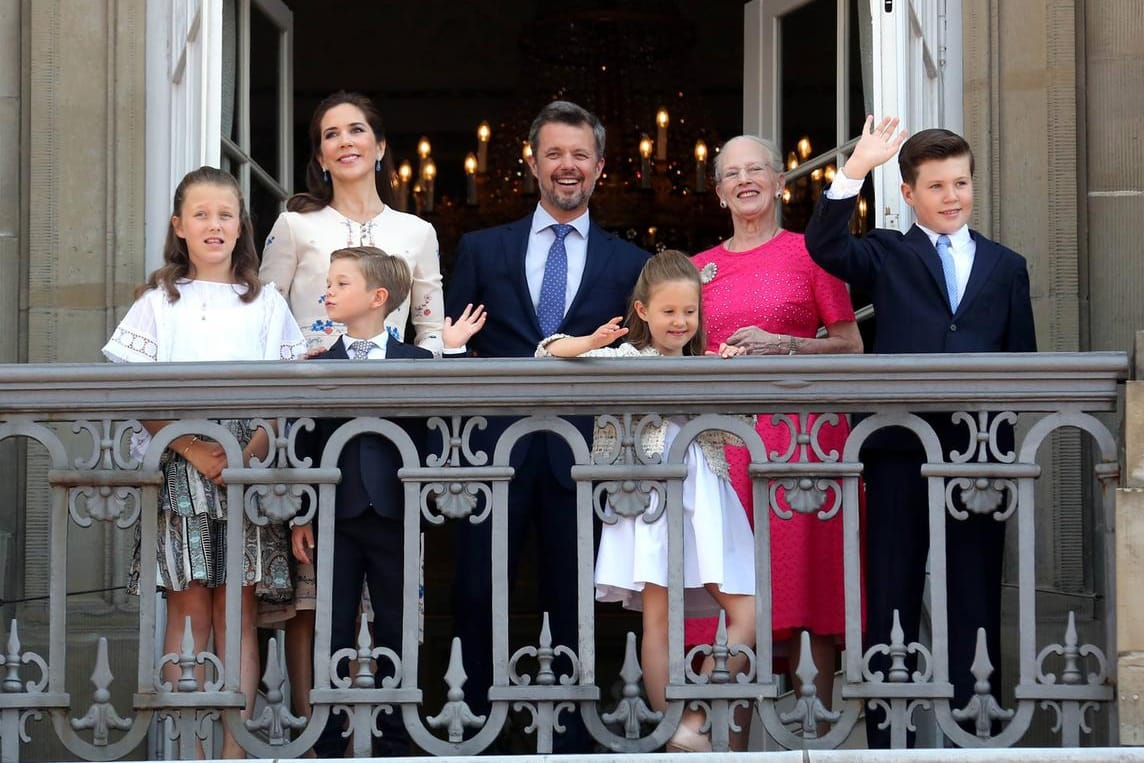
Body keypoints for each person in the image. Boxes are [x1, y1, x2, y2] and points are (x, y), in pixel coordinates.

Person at [804, 117, 1036, 747]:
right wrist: (854, 169)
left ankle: (976, 722)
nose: (952, 196)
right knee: (893, 584)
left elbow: (1022, 363)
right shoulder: (886, 253)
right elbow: (824, 247)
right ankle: (890, 731)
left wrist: (1006, 445)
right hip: (899, 447)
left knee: (974, 585)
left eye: (960, 182)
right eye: (936, 186)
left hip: (977, 451)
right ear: (908, 193)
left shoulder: (1006, 265)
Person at [445, 99, 650, 752]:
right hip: (494, 450)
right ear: (532, 163)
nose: (568, 165)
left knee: (575, 597)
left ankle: (573, 730)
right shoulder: (481, 248)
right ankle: (474, 722)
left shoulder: (629, 262)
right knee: (478, 589)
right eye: (555, 153)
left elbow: (641, 357)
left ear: (600, 167)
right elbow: (452, 347)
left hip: (583, 454)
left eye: (580, 155)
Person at [102, 166, 306, 758]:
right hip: (179, 462)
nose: (214, 225)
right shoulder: (159, 301)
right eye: (201, 215)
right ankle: (186, 746)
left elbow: (281, 401)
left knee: (236, 611)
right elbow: (134, 392)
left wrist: (244, 456)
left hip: (243, 467)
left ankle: (231, 748)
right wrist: (191, 447)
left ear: (241, 225)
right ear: (179, 226)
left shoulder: (265, 302)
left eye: (226, 214)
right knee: (189, 603)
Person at [258, 90, 446, 723]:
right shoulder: (295, 224)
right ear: (320, 154)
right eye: (331, 133)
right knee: (321, 603)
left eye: (357, 129)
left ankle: (396, 727)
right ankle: (324, 727)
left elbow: (429, 333)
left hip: (392, 441)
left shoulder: (415, 232)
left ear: (381, 145)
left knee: (395, 603)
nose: (345, 141)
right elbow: (266, 317)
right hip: (316, 422)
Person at [537, 250, 754, 753]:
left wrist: (731, 375)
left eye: (689, 312)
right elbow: (546, 352)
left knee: (748, 612)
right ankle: (675, 728)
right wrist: (590, 343)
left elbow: (741, 431)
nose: (680, 322)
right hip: (651, 494)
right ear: (642, 311)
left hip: (708, 491)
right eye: (669, 312)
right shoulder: (626, 359)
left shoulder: (706, 363)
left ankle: (699, 705)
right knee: (659, 616)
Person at [688, 135, 863, 737]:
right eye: (731, 173)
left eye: (756, 169)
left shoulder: (812, 253)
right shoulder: (696, 268)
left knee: (805, 588)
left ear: (780, 182)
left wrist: (785, 344)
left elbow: (849, 345)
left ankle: (812, 738)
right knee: (733, 594)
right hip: (723, 446)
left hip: (803, 443)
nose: (745, 180)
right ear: (718, 192)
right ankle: (728, 743)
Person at [290, 246, 483, 757]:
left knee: (397, 625)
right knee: (332, 626)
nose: (327, 291)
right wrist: (300, 516)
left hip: (397, 514)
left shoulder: (417, 362)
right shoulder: (318, 364)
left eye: (341, 283)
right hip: (335, 515)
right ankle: (328, 739)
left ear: (378, 298)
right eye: (328, 282)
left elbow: (445, 422)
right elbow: (304, 444)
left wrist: (456, 351)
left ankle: (399, 737)